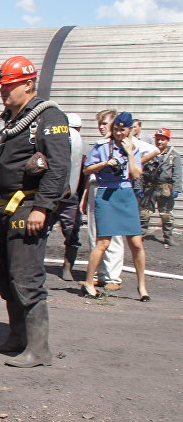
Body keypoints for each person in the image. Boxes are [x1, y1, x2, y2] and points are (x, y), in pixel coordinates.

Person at [0, 55, 70, 368]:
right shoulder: (8, 120)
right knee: (2, 273)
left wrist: (43, 207)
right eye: (2, 86)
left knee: (26, 276)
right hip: (0, 207)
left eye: (10, 85)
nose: (5, 91)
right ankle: (17, 336)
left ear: (29, 84)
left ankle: (39, 349)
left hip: (28, 207)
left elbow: (58, 167)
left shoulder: (48, 115)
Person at [80, 112, 148, 301]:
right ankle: (89, 282)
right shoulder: (102, 146)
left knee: (136, 243)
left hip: (126, 194)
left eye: (122, 130)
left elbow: (135, 174)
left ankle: (142, 286)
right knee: (103, 243)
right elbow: (86, 169)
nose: (118, 133)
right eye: (116, 129)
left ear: (129, 130)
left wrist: (129, 153)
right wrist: (104, 163)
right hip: (106, 193)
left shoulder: (132, 147)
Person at [82, 110, 125, 290]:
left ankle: (113, 277)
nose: (101, 127)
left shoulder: (122, 145)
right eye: (100, 123)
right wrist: (84, 197)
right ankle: (100, 273)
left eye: (105, 123)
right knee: (94, 233)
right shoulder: (99, 145)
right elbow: (87, 171)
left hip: (112, 189)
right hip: (94, 187)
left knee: (113, 235)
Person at [50, 113, 86, 281]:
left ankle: (67, 267)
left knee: (72, 232)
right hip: (51, 195)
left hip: (71, 197)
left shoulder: (83, 149)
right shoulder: (54, 145)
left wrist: (81, 197)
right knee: (40, 230)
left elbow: (84, 176)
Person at [139, 128, 180, 247]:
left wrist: (176, 189)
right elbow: (140, 171)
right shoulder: (149, 153)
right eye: (157, 139)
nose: (159, 142)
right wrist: (138, 187)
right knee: (144, 213)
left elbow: (177, 173)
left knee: (167, 215)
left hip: (165, 188)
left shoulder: (173, 155)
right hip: (150, 188)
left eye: (162, 139)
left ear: (167, 140)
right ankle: (141, 234)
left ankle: (168, 237)